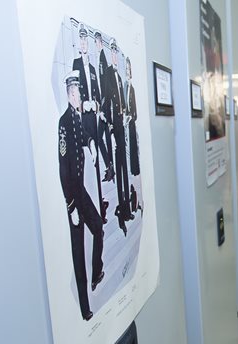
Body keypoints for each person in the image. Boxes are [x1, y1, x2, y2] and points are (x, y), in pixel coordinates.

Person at [58, 70, 105, 321]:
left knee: (98, 226)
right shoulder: (64, 122)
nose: (77, 97)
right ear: (68, 94)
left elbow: (84, 135)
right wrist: (71, 204)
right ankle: (85, 309)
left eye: (79, 93)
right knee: (78, 254)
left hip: (81, 191)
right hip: (73, 197)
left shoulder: (77, 118)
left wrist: (91, 144)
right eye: (74, 93)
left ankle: (98, 270)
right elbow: (63, 167)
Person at [72, 24, 108, 224]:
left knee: (96, 164)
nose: (84, 43)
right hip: (82, 121)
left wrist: (95, 104)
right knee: (86, 161)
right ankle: (88, 206)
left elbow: (98, 95)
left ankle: (100, 207)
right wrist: (82, 104)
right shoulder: (75, 64)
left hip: (92, 118)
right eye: (82, 40)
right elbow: (74, 94)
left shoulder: (93, 69)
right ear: (79, 43)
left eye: (86, 40)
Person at [105, 38, 133, 235]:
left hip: (122, 130)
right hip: (115, 132)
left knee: (125, 171)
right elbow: (107, 105)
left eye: (117, 52)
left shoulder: (121, 79)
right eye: (112, 52)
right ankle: (122, 211)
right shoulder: (107, 75)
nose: (115, 56)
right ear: (110, 54)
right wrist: (112, 132)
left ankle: (126, 208)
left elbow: (123, 106)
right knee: (119, 174)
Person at [93, 29, 115, 183]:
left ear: (101, 43)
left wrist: (103, 110)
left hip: (105, 110)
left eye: (98, 41)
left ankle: (110, 168)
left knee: (103, 138)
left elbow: (105, 88)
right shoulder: (98, 59)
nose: (96, 44)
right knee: (102, 138)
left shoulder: (102, 60)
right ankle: (110, 168)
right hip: (103, 109)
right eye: (95, 42)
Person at [124, 57, 140, 176]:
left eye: (129, 69)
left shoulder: (132, 89)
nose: (127, 72)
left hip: (131, 122)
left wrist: (131, 117)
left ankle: (135, 169)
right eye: (126, 69)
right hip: (125, 121)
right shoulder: (124, 87)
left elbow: (135, 111)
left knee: (133, 147)